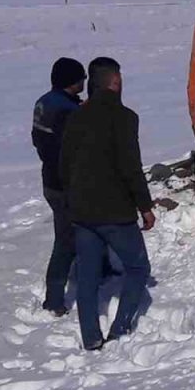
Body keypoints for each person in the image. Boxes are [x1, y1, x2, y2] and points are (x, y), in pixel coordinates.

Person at [60, 57, 156, 350]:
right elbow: (130, 167)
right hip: (115, 213)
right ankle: (120, 329)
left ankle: (90, 337)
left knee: (87, 277)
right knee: (138, 267)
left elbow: (64, 164)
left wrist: (73, 198)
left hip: (83, 212)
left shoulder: (76, 116)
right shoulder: (125, 118)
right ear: (115, 82)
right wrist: (145, 206)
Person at [32, 57, 86, 316]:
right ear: (71, 81)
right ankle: (54, 300)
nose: (84, 82)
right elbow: (77, 150)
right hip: (65, 185)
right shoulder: (68, 112)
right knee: (65, 242)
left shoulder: (44, 102)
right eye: (81, 78)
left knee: (70, 236)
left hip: (50, 180)